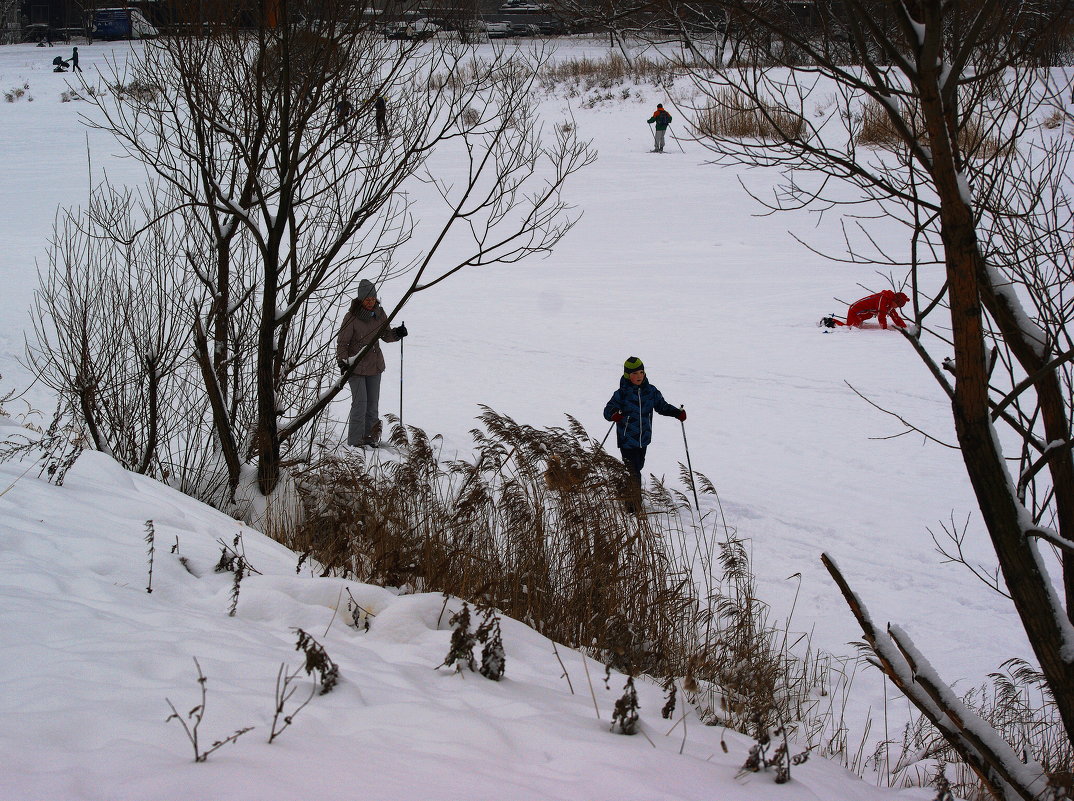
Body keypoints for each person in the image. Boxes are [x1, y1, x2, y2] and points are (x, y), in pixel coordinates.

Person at [603, 357, 686, 507]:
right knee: (633, 471)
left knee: (637, 467)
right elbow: (608, 410)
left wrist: (677, 413)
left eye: (641, 372)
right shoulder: (621, 393)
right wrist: (613, 413)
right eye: (635, 373)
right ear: (628, 375)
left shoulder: (651, 391)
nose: (639, 376)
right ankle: (633, 505)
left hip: (644, 439)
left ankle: (625, 491)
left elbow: (662, 406)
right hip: (627, 439)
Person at [336, 279, 408, 448]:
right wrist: (343, 362)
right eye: (367, 299)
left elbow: (386, 335)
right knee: (360, 403)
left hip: (375, 365)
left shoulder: (379, 313)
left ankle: (370, 438)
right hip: (356, 365)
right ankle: (355, 441)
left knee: (372, 404)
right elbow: (342, 343)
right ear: (360, 300)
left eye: (372, 299)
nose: (370, 302)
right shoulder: (351, 317)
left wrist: (397, 333)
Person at [823, 290, 910, 329]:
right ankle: (830, 321)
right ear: (895, 300)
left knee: (856, 326)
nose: (896, 308)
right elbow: (881, 316)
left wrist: (904, 327)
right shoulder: (883, 299)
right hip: (855, 311)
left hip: (863, 314)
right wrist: (884, 330)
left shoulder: (889, 303)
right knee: (851, 328)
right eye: (898, 305)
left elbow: (895, 316)